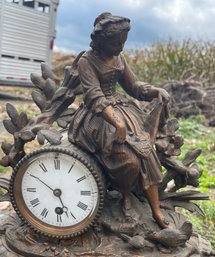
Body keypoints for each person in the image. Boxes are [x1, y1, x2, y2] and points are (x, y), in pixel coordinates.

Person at [68, 12, 170, 228]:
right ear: (101, 41)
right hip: (97, 117)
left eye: (123, 43)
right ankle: (124, 195)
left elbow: (133, 87)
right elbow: (94, 96)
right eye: (116, 44)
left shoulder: (119, 57)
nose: (121, 48)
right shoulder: (87, 60)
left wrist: (154, 91)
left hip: (123, 111)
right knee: (128, 160)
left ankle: (156, 210)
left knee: (147, 154)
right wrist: (117, 123)